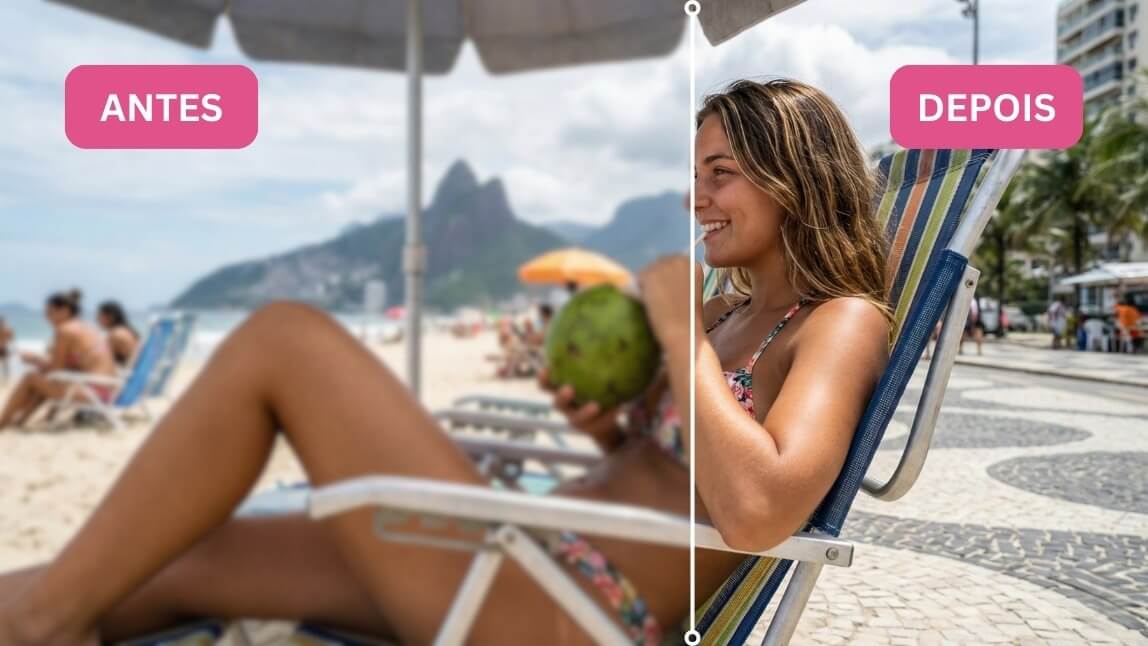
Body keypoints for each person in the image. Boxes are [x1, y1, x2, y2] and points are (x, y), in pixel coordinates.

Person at [0, 79, 888, 645]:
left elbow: (763, 510)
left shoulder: (840, 322)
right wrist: (612, 425)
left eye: (721, 171)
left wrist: (677, 336)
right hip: (523, 548)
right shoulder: (731, 310)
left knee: (286, 339)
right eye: (697, 171)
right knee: (163, 565)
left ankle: (38, 623)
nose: (696, 196)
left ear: (793, 178)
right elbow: (677, 466)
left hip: (563, 607)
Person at [0, 290, 118, 429]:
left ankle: (2, 422)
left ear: (65, 311)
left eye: (50, 312)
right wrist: (41, 362)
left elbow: (56, 370)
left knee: (30, 377)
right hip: (106, 390)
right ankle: (18, 421)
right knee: (41, 378)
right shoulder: (85, 327)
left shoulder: (65, 330)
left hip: (92, 393)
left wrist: (36, 359)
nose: (47, 317)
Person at [96, 301, 140, 367]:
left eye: (100, 316)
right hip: (132, 371)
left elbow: (101, 359)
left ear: (111, 317)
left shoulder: (116, 335)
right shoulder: (126, 330)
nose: (97, 319)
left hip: (124, 374)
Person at [0, 316, 12, 383]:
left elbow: (10, 339)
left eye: (2, 322)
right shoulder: (7, 330)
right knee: (6, 365)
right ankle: (6, 379)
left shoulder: (7, 330)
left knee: (6, 365)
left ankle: (6, 379)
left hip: (4, 348)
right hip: (3, 348)